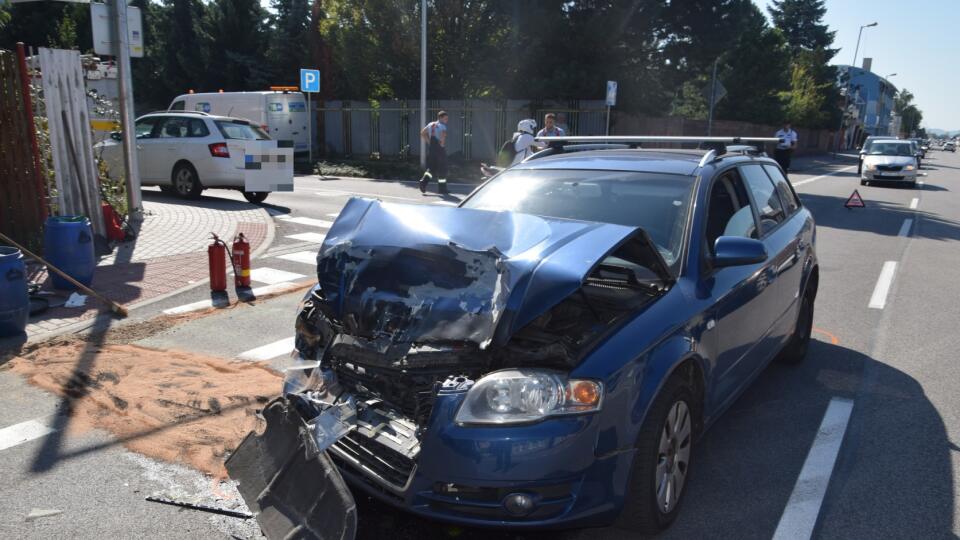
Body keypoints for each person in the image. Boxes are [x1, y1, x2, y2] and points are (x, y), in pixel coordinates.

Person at [419, 111, 449, 194]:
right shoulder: (442, 126)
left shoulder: (430, 124)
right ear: (440, 118)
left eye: (447, 118)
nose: (447, 120)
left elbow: (422, 133)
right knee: (443, 168)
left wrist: (429, 142)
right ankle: (442, 189)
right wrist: (442, 145)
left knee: (432, 167)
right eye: (445, 118)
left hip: (432, 149)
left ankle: (423, 182)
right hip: (440, 149)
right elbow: (443, 135)